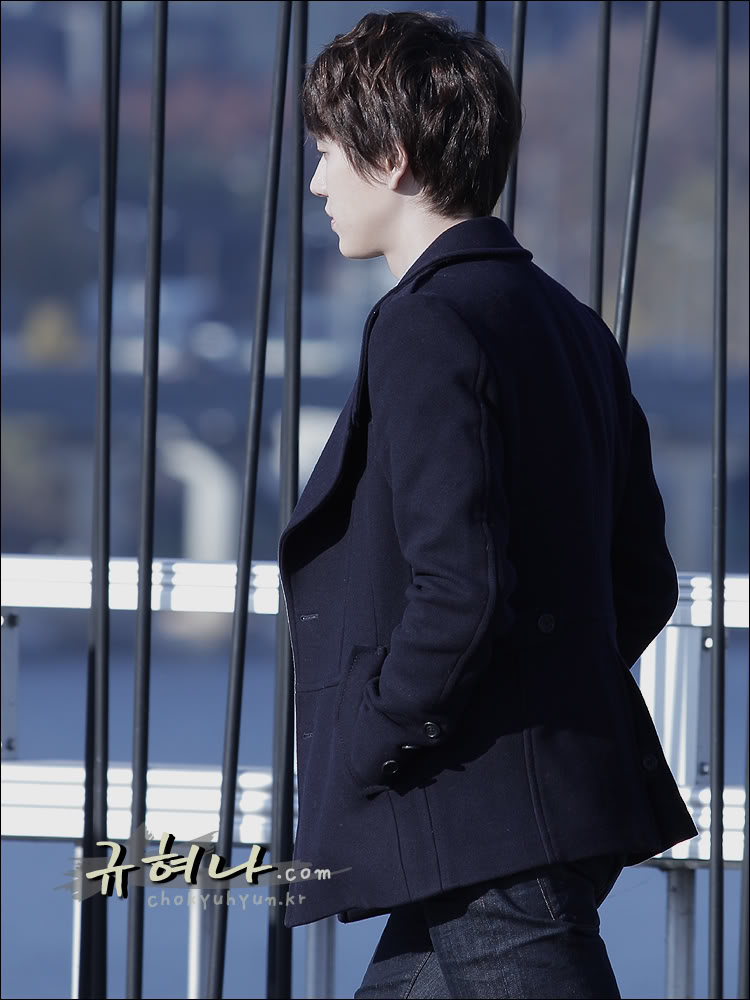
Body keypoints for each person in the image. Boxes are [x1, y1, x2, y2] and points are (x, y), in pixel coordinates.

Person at [277, 10, 699, 998]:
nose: (318, 183)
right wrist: (548, 686)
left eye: (329, 153)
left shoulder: (424, 326)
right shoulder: (570, 323)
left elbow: (458, 589)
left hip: (483, 808)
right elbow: (641, 578)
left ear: (392, 157)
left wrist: (375, 734)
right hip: (525, 802)